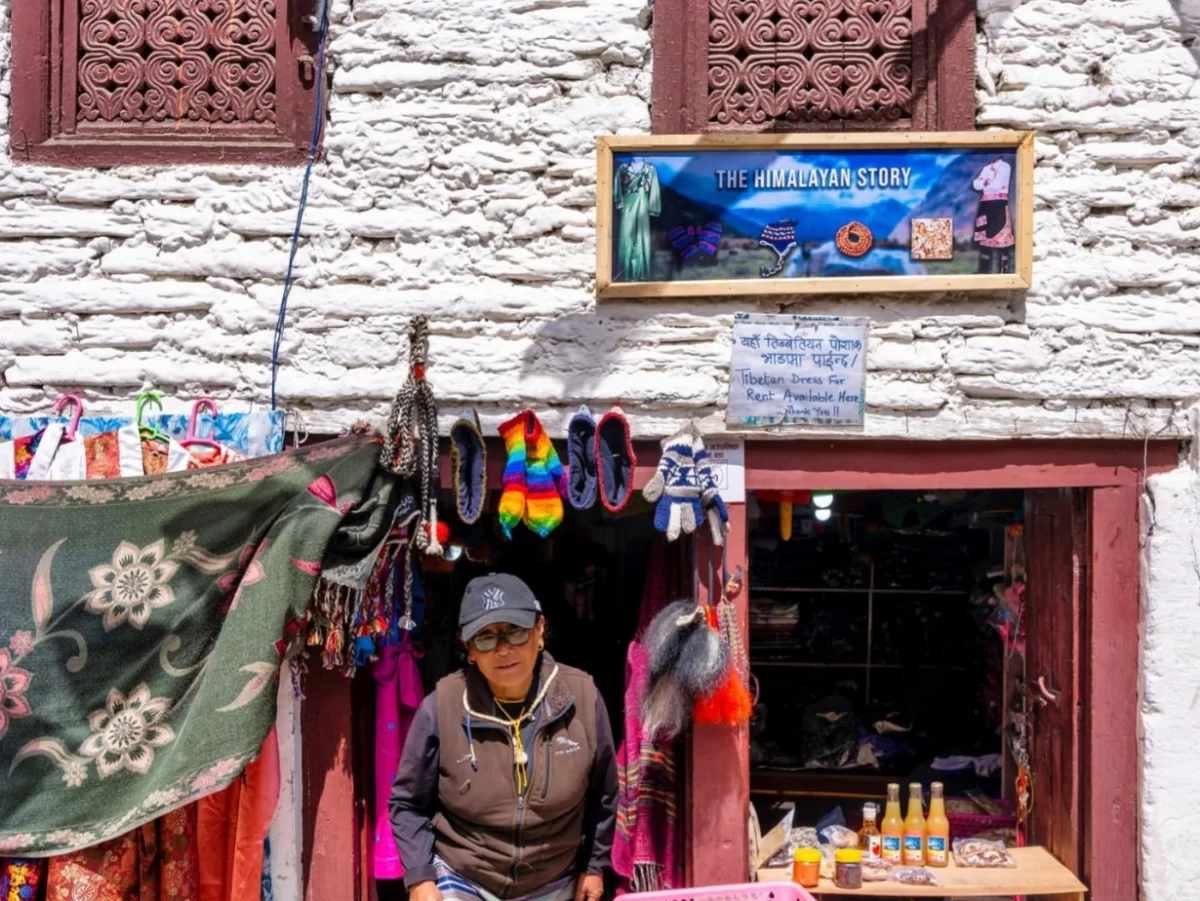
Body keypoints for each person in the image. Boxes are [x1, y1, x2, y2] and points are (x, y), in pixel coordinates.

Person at [390, 573, 618, 901]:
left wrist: (595, 866)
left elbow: (604, 794)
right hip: (463, 877)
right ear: (468, 649)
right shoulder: (443, 705)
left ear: (539, 631)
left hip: (552, 880)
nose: (503, 649)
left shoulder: (581, 698)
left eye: (515, 632)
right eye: (485, 637)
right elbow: (408, 802)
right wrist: (420, 879)